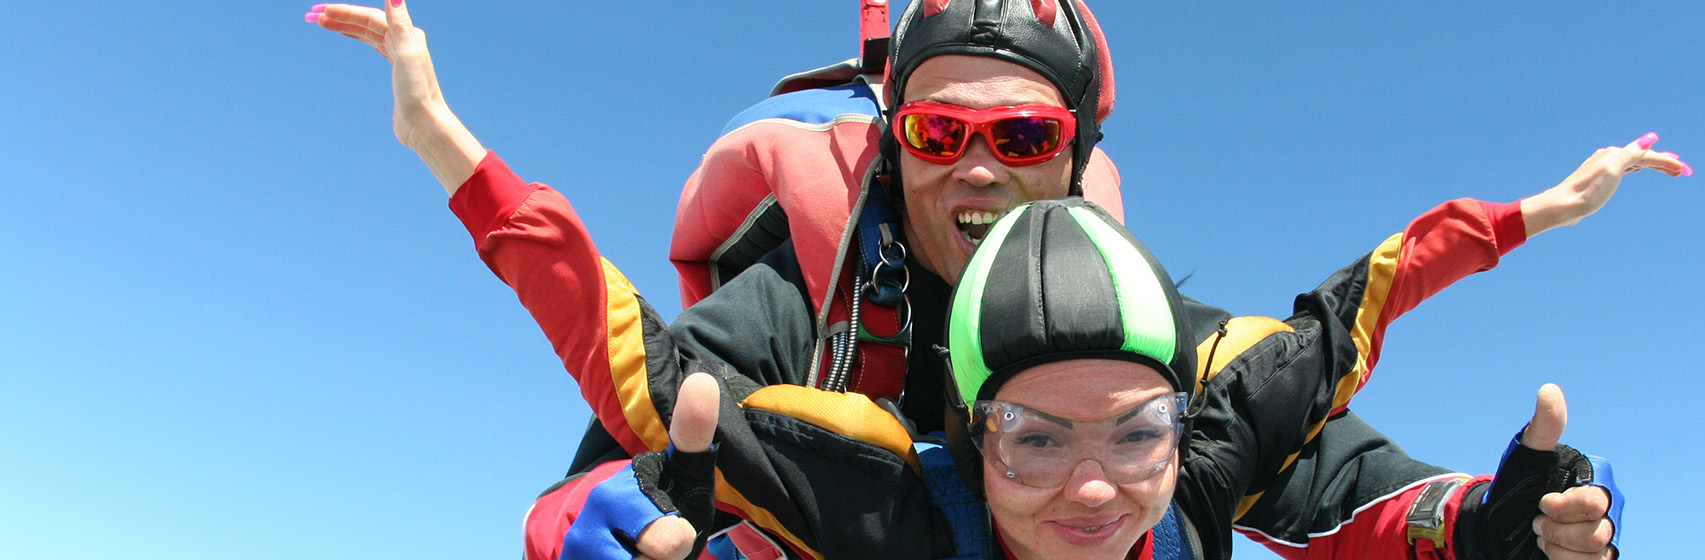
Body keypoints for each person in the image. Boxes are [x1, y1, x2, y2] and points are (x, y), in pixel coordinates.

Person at [304, 0, 1683, 558]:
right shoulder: (802, 308)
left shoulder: (1149, 338)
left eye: (1019, 136)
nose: (974, 167)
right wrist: (586, 525)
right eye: (935, 132)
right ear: (890, 138)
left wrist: (1502, 521)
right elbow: (632, 426)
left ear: (1073, 151)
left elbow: (1340, 466)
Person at [625, 198, 1619, 560]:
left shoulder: (1193, 489)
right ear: (972, 438)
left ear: (1181, 427)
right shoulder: (899, 514)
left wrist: (1488, 525)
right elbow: (653, 372)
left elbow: (1347, 322)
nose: (1096, 485)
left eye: (1136, 430)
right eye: (1037, 437)